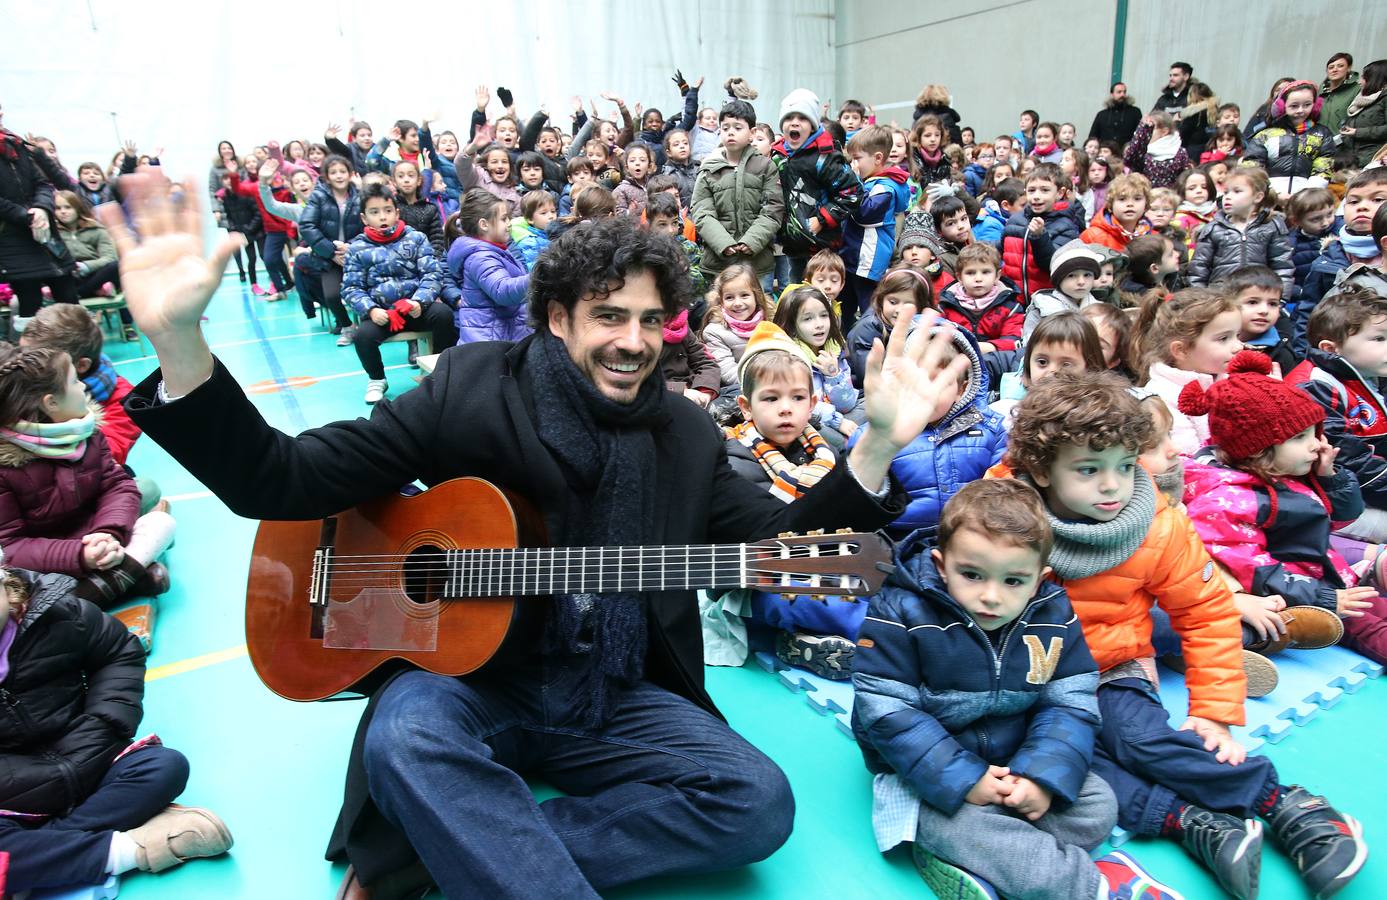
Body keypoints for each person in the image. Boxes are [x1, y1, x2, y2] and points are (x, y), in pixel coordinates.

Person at [107, 167, 962, 898]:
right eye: (606, 317)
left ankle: (456, 852)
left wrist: (878, 447)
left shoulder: (689, 435)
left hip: (613, 688)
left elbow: (782, 548)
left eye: (648, 320)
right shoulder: (473, 389)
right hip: (472, 684)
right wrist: (182, 346)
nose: (631, 342)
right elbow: (282, 481)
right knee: (409, 733)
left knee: (756, 801)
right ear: (557, 318)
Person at [1003, 372, 1367, 900]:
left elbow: (1205, 611)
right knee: (1065, 767)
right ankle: (1195, 824)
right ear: (1039, 469)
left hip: (1109, 665)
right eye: (1088, 469)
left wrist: (1214, 709)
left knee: (1138, 738)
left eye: (1125, 467)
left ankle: (1282, 803)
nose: (1112, 486)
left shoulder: (1157, 523)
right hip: (1026, 678)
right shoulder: (1003, 514)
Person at [853, 479, 1181, 900]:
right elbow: (887, 711)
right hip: (927, 768)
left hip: (1015, 755)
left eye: (1013, 581)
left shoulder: (1054, 612)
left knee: (1098, 807)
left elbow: (1071, 700)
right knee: (944, 820)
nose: (990, 596)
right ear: (940, 564)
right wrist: (964, 778)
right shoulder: (899, 611)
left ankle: (988, 859)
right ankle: (1092, 887)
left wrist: (1040, 775)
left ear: (1039, 578)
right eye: (971, 574)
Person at [0, 557, 233, 895]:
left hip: (91, 757)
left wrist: (105, 722)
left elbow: (117, 651)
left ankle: (40, 858)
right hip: (17, 797)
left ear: (6, 582)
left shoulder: (56, 614)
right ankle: (131, 850)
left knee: (164, 766)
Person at [1180, 351, 1384, 665]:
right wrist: (1326, 599)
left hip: (1332, 580)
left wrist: (1331, 478)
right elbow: (1256, 572)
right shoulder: (1229, 500)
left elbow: (1341, 519)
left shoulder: (1284, 473)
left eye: (1314, 433)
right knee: (1373, 631)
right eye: (1300, 437)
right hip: (1299, 598)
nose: (1316, 444)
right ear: (1258, 449)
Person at [0, 345, 175, 607]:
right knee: (21, 590)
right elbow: (10, 547)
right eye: (73, 381)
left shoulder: (84, 431)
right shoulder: (6, 467)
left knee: (161, 523)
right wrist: (79, 555)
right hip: (49, 560)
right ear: (52, 403)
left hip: (95, 535)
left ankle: (103, 585)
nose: (83, 386)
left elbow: (117, 486)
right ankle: (121, 577)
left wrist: (108, 533)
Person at [878, 322, 1008, 540]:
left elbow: (1003, 493)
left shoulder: (990, 430)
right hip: (899, 540)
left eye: (939, 381)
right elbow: (864, 491)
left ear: (962, 389)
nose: (924, 390)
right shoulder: (884, 431)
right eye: (913, 380)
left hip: (975, 538)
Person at [341, 182, 455, 404]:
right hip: (382, 315)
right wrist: (371, 309)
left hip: (414, 310)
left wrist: (419, 302)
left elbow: (432, 273)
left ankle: (440, 368)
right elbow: (350, 287)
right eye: (374, 212)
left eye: (387, 210)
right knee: (363, 336)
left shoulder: (415, 238)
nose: (382, 217)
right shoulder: (357, 248)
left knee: (443, 315)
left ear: (397, 212)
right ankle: (377, 379)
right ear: (365, 218)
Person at [1289, 288, 1387, 543]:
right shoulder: (1315, 386)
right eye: (1379, 338)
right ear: (1331, 348)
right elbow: (1350, 459)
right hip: (1329, 498)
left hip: (1365, 488)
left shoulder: (1369, 373)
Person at [690, 99, 784, 289]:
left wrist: (751, 241)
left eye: (737, 127)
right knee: (719, 313)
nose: (730, 132)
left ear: (752, 133)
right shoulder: (708, 168)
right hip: (719, 263)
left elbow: (772, 210)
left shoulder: (765, 166)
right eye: (725, 128)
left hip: (757, 263)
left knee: (760, 313)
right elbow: (701, 212)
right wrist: (723, 243)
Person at [1137, 288, 1243, 455]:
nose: (1238, 346)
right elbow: (1190, 459)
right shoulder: (1163, 398)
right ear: (1181, 350)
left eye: (1238, 335)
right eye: (1224, 338)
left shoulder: (1232, 379)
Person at [771, 88, 861, 281]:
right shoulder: (778, 155)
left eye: (802, 118)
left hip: (821, 246)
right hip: (793, 243)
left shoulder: (825, 157)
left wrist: (822, 219)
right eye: (789, 118)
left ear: (812, 125)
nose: (794, 122)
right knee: (796, 294)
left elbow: (852, 193)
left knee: (821, 296)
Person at [0, 123, 78, 331]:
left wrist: (42, 208)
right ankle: (37, 359)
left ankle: (85, 354)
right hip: (13, 240)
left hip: (46, 233)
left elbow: (42, 182)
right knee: (30, 303)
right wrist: (25, 216)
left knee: (69, 298)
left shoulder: (15, 143)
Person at [842, 125, 911, 332]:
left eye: (857, 158)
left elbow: (864, 214)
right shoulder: (871, 182)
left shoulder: (884, 188)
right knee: (845, 307)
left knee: (868, 308)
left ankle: (872, 342)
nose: (853, 165)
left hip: (868, 261)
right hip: (854, 257)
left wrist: (852, 183)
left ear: (878, 158)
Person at [773, 285, 860, 448]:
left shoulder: (834, 349)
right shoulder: (787, 359)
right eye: (808, 318)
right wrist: (837, 421)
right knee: (835, 439)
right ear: (791, 324)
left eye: (824, 315)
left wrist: (833, 375)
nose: (819, 324)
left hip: (838, 414)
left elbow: (846, 404)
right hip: (805, 421)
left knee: (870, 406)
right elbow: (797, 404)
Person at [1189, 167, 1293, 300]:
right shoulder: (1213, 228)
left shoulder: (1272, 226)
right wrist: (1200, 300)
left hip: (1259, 298)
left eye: (1237, 191)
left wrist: (1281, 299)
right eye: (1226, 192)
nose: (1228, 197)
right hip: (1220, 300)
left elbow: (1282, 266)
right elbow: (1199, 268)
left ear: (1258, 197)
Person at [295, 154, 361, 343]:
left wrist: (351, 247)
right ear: (327, 176)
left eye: (342, 171)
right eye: (334, 172)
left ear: (350, 174)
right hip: (328, 257)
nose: (339, 176)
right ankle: (347, 326)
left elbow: (368, 224)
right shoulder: (319, 196)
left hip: (355, 255)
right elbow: (307, 226)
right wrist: (331, 251)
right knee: (331, 296)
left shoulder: (359, 196)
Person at [999, 163, 1083, 302]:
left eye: (1044, 190)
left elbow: (1052, 264)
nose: (1036, 196)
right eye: (1031, 190)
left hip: (1048, 300)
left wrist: (1040, 236)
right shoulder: (1015, 219)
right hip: (1015, 298)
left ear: (1059, 193)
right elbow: (1003, 250)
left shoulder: (1066, 226)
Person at [1244, 80, 1337, 189]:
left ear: (1315, 105)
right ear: (1281, 106)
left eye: (1307, 105)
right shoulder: (1266, 135)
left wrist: (1307, 195)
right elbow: (1252, 166)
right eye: (1294, 106)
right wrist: (1272, 194)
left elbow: (1324, 168)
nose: (1300, 110)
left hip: (1306, 200)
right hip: (1269, 198)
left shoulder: (1322, 134)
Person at [937, 243, 1023, 355]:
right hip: (956, 363)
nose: (978, 279)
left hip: (997, 363)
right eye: (970, 273)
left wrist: (975, 347)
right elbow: (937, 339)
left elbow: (1012, 342)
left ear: (997, 276)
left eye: (985, 272)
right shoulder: (946, 306)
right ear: (959, 277)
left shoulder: (1010, 306)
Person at [701, 262, 772, 388]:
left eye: (744, 295)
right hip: (742, 386)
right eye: (729, 298)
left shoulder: (770, 320)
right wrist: (763, 382)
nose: (737, 303)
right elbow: (727, 372)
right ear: (721, 301)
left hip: (776, 379)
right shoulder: (715, 331)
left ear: (756, 296)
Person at [1022, 241, 1104, 343]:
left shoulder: (1101, 310)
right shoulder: (1042, 308)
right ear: (1059, 279)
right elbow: (1029, 345)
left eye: (1087, 275)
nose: (1081, 282)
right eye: (1071, 275)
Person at [1222, 265, 1295, 373]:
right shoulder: (1212, 341)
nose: (1264, 310)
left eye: (1272, 304)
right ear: (1228, 303)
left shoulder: (1282, 353)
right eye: (1252, 302)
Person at [1082, 172, 1153, 252]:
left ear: (1146, 204)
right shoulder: (1092, 236)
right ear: (1110, 204)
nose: (1130, 204)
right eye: (1122, 199)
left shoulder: (1153, 237)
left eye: (1137, 199)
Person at [1123, 113, 1191, 189]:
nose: (1147, 132)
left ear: (1164, 132)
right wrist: (1143, 129)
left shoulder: (1179, 152)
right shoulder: (1142, 150)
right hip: (1145, 195)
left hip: (1170, 196)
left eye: (1152, 128)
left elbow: (1184, 178)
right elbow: (1129, 159)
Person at [1342, 58, 1387, 169]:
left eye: (1363, 77)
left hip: (1374, 160)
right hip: (1354, 159)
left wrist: (1357, 132)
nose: (1359, 81)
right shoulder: (1363, 99)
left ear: (1374, 79)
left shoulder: (1384, 99)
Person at [509, 189, 555, 272]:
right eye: (543, 213)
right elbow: (533, 270)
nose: (551, 216)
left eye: (553, 211)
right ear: (530, 219)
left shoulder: (553, 233)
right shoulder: (530, 242)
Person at [1319, 52, 1360, 134]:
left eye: (1340, 66)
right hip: (1318, 141)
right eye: (1331, 67)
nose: (1334, 70)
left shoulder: (1357, 89)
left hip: (1343, 142)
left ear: (1349, 68)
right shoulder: (1320, 90)